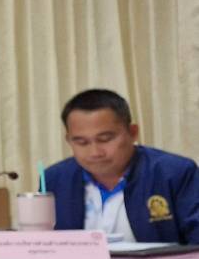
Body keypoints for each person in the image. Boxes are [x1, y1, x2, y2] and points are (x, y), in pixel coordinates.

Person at [45, 88, 199, 244]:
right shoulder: (54, 179)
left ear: (133, 133)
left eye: (105, 139)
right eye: (82, 142)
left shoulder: (174, 173)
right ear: (69, 140)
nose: (95, 152)